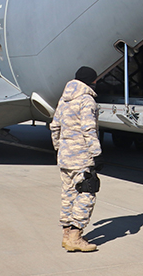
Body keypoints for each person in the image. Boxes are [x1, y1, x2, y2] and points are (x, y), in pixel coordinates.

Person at [50, 66, 102, 252]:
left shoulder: (64, 99)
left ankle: (66, 235)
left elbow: (54, 126)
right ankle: (76, 236)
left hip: (65, 156)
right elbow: (88, 129)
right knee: (87, 192)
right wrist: (96, 153)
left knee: (68, 194)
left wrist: (60, 148)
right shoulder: (86, 100)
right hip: (81, 157)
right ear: (93, 81)